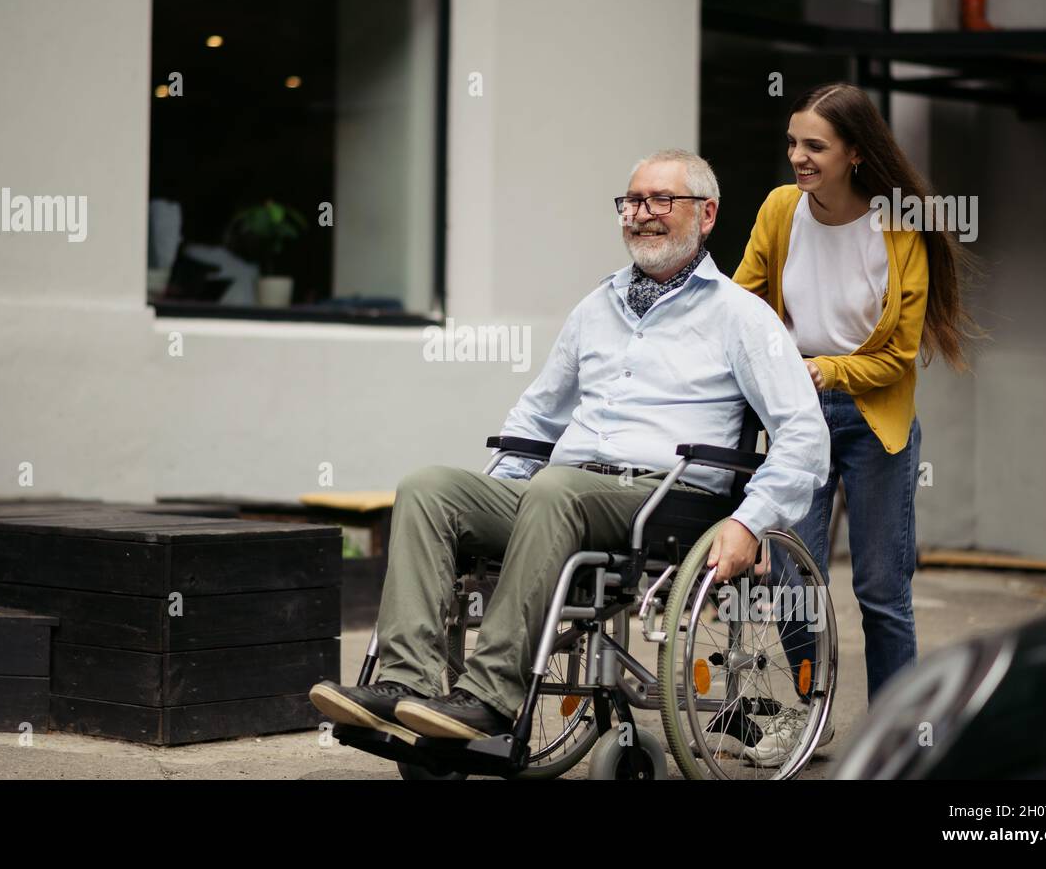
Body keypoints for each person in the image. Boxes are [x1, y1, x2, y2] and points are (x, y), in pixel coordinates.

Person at [309, 149, 829, 745]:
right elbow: (536, 416)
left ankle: (489, 698)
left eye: (662, 200)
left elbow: (804, 436)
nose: (642, 214)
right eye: (632, 202)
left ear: (706, 214)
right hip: (564, 492)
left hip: (666, 500)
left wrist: (750, 520)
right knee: (429, 488)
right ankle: (406, 686)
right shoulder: (596, 307)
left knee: (555, 488)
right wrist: (498, 500)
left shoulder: (741, 316)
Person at [734, 83, 978, 727]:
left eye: (815, 145)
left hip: (876, 421)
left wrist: (824, 368)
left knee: (881, 592)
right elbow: (741, 306)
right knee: (789, 580)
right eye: (793, 142)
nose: (798, 157)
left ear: (856, 154)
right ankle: (807, 719)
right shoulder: (781, 210)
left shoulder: (901, 229)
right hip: (797, 417)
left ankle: (894, 734)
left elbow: (896, 357)